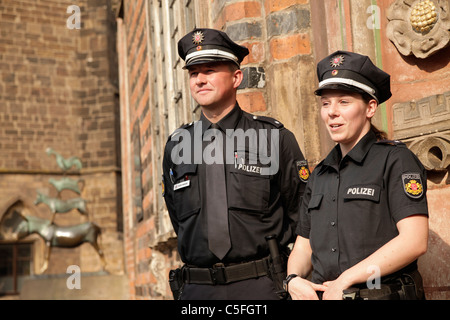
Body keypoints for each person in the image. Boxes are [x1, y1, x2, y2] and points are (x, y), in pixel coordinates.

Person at [162, 28, 309, 300]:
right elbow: (178, 219)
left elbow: (305, 219)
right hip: (197, 289)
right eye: (194, 73)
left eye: (210, 71)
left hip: (262, 286)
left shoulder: (274, 139)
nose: (200, 80)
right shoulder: (177, 145)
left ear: (236, 77)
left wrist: (294, 278)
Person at [285, 50, 429, 300]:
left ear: (370, 107)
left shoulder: (395, 160)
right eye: (326, 103)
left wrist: (347, 279)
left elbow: (414, 241)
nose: (332, 112)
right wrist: (293, 279)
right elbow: (303, 244)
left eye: (344, 102)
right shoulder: (319, 173)